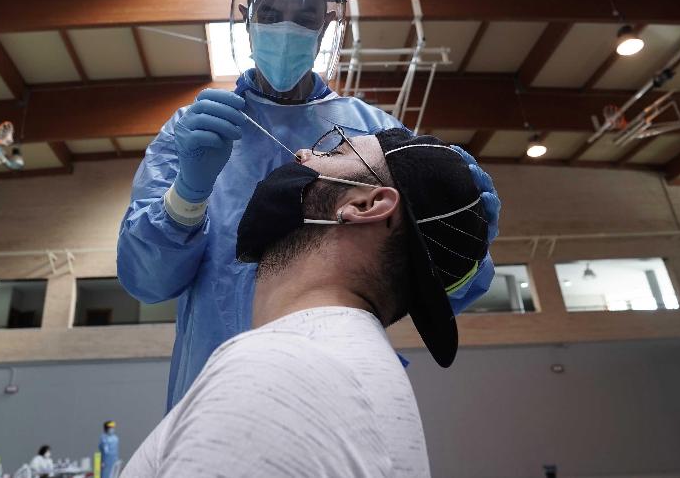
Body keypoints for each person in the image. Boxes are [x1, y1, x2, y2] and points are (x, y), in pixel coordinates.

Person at [118, 0, 501, 407]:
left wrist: (464, 237)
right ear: (245, 18)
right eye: (270, 13)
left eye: (305, 19)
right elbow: (147, 281)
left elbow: (436, 286)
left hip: (333, 376)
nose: (286, 28)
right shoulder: (196, 130)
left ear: (328, 26)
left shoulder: (374, 133)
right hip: (218, 382)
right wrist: (186, 196)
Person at [123, 127, 491, 476]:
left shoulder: (282, 376)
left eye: (334, 150)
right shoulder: (337, 365)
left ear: (365, 205)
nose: (302, 153)